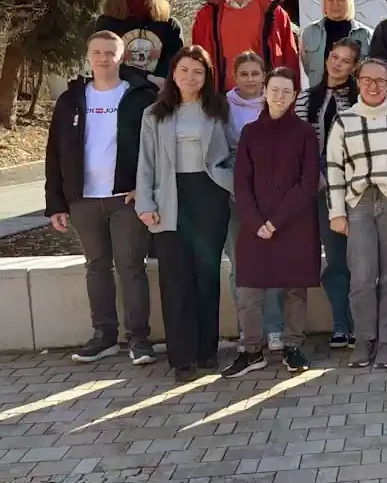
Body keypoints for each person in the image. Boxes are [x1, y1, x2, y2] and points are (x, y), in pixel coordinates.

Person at [46, 31, 158, 365]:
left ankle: (139, 340)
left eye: (110, 52)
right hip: (83, 199)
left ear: (121, 56)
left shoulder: (140, 96)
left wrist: (145, 186)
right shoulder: (71, 99)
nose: (103, 58)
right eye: (97, 52)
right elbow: (54, 153)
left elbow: (154, 147)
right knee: (96, 267)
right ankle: (104, 336)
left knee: (131, 267)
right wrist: (56, 202)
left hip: (126, 198)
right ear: (88, 55)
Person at [135, 46, 235, 383]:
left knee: (206, 276)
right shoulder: (154, 114)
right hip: (170, 197)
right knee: (175, 278)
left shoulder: (218, 109)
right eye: (184, 70)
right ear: (173, 74)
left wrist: (229, 183)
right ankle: (182, 356)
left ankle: (207, 351)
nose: (190, 77)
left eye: (198, 71)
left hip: (209, 194)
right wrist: (145, 205)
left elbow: (233, 151)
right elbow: (145, 163)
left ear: (206, 77)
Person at [326, 58, 387, 370]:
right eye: (367, 79)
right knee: (362, 277)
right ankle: (364, 338)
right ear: (357, 82)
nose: (373, 86)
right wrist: (336, 212)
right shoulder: (345, 120)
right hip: (359, 205)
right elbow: (333, 167)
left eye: (380, 80)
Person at [222, 68, 320, 377]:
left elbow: (307, 183)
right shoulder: (251, 132)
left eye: (286, 91)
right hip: (254, 225)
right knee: (249, 290)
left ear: (294, 96)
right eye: (274, 89)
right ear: (265, 91)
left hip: (294, 222)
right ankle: (252, 350)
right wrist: (255, 221)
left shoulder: (305, 133)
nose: (279, 96)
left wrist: (276, 221)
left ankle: (293, 346)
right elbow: (242, 181)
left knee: (295, 289)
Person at [297, 39, 361, 349]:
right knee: (335, 258)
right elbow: (296, 144)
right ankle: (341, 324)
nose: (337, 64)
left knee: (360, 260)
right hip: (322, 189)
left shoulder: (363, 97)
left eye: (346, 61)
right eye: (334, 57)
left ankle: (363, 324)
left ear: (354, 67)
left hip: (358, 190)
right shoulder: (307, 98)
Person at [224, 51, 284, 352]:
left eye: (255, 74)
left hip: (272, 196)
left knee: (273, 262)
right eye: (244, 74)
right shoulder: (222, 108)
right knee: (241, 265)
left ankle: (275, 329)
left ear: (265, 76)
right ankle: (248, 330)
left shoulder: (276, 102)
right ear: (236, 76)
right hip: (237, 197)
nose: (250, 79)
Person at [191, 0, 299, 91]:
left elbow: (291, 60)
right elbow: (196, 59)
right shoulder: (206, 15)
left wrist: (291, 97)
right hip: (220, 100)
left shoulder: (275, 14)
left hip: (266, 99)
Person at [94, 0, 183, 84]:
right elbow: (105, 62)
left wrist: (159, 83)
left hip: (159, 94)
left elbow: (174, 63)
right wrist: (146, 78)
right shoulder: (107, 23)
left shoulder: (169, 25)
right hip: (119, 93)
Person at [299, 0, 371, 88]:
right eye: (330, 0)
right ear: (324, 2)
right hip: (318, 97)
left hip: (354, 99)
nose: (335, 4)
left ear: (348, 2)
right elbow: (308, 67)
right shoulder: (309, 32)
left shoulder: (365, 34)